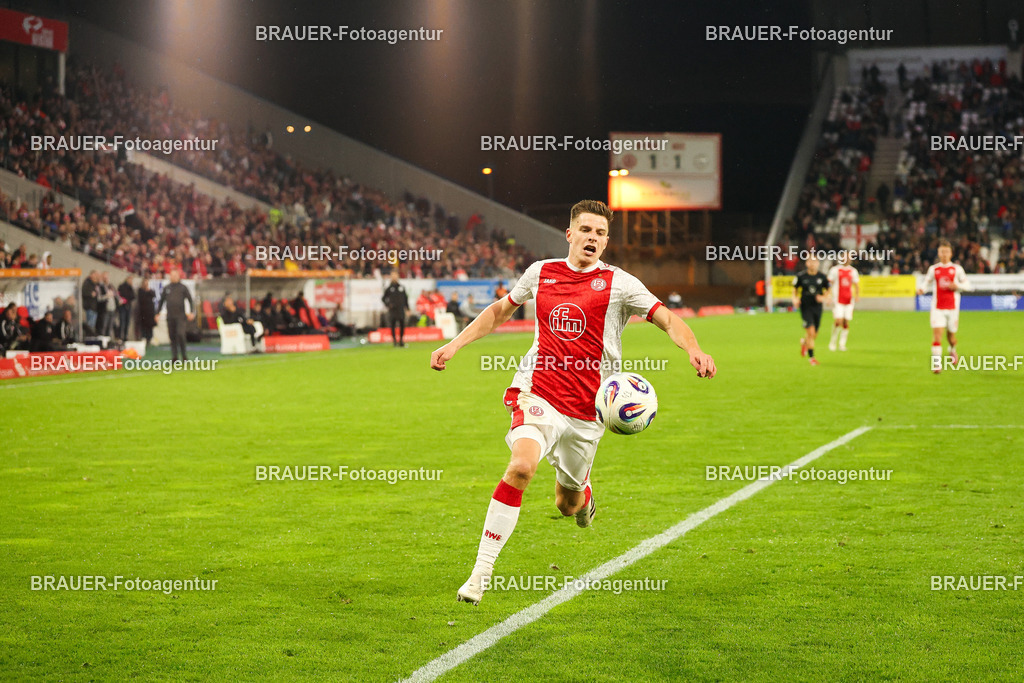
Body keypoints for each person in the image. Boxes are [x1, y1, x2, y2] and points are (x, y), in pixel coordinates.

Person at [430, 200, 716, 606]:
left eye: (600, 233)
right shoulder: (541, 272)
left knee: (567, 505)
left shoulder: (619, 283)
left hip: (588, 410)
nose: (592, 238)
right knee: (521, 467)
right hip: (538, 392)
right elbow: (499, 311)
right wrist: (455, 344)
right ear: (570, 234)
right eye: (585, 230)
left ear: (606, 241)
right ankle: (481, 573)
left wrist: (694, 349)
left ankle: (583, 497)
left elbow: (667, 319)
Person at [917, 239, 971, 373]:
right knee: (937, 336)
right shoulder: (933, 269)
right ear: (938, 253)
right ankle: (937, 365)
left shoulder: (957, 269)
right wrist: (922, 289)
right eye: (942, 251)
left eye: (947, 251)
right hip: (938, 308)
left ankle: (952, 349)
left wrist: (957, 286)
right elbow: (926, 282)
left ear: (951, 253)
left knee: (951, 338)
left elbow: (968, 286)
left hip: (952, 308)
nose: (944, 254)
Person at [793, 256, 829, 366]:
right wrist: (795, 299)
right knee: (811, 332)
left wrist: (823, 297)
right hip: (805, 306)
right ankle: (811, 358)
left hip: (817, 307)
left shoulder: (822, 277)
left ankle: (804, 342)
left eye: (814, 261)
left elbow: (828, 289)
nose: (812, 263)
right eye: (810, 261)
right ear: (806, 263)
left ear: (818, 263)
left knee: (814, 334)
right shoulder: (801, 276)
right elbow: (794, 289)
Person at [156, 270, 195, 362]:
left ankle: (184, 355)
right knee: (172, 336)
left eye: (175, 275)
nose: (173, 277)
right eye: (172, 275)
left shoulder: (183, 287)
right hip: (170, 316)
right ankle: (175, 356)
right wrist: (157, 313)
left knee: (181, 334)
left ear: (178, 276)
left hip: (180, 316)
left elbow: (190, 300)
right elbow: (161, 301)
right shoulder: (167, 288)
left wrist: (191, 312)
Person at [827, 254, 860, 351]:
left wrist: (857, 295)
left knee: (846, 322)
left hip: (849, 300)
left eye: (848, 258)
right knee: (838, 321)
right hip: (837, 299)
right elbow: (829, 284)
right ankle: (832, 342)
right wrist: (828, 296)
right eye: (845, 257)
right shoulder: (835, 270)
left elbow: (856, 284)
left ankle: (842, 344)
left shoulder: (853, 271)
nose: (847, 259)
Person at [381, 273, 409, 347]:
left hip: (401, 309)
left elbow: (405, 299)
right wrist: (388, 305)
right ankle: (394, 341)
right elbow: (383, 298)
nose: (394, 278)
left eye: (396, 276)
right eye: (393, 276)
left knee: (402, 325)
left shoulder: (401, 287)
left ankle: (401, 340)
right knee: (393, 325)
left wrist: (407, 308)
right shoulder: (389, 288)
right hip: (393, 310)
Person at [136, 279, 157, 347]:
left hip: (150, 312)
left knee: (149, 327)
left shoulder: (150, 290)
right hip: (143, 313)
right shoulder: (140, 290)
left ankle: (149, 339)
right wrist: (147, 292)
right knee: (143, 327)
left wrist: (148, 290)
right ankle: (144, 338)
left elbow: (153, 295)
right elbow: (142, 298)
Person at [117, 275, 135, 341]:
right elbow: (119, 295)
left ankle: (125, 336)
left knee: (127, 322)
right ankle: (120, 336)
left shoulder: (131, 287)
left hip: (128, 306)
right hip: (122, 307)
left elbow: (133, 296)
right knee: (122, 322)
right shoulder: (122, 286)